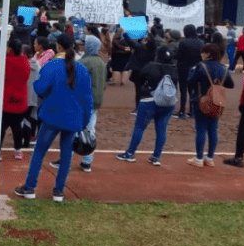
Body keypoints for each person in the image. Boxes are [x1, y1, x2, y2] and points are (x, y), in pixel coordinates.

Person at [15, 33, 93, 203]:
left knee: (40, 152)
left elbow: (40, 89)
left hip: (52, 115)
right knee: (66, 156)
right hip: (73, 119)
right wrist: (84, 122)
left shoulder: (53, 66)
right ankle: (58, 192)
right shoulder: (82, 70)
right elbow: (88, 100)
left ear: (58, 47)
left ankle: (29, 187)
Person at [115, 45, 179, 165]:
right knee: (161, 129)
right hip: (168, 104)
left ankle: (130, 153)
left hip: (149, 101)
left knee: (139, 127)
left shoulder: (151, 66)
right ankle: (156, 156)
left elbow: (138, 77)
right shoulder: (174, 68)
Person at [58, 35, 106, 173]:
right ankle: (86, 162)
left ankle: (66, 159)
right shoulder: (101, 62)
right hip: (96, 101)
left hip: (83, 101)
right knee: (89, 130)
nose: (82, 46)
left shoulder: (85, 62)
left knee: (73, 130)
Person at [186, 43, 235, 167]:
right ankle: (210, 158)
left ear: (208, 53)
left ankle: (198, 159)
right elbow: (230, 84)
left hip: (201, 100)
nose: (201, 54)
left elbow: (190, 82)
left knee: (201, 129)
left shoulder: (201, 66)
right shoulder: (223, 68)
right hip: (217, 101)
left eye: (203, 52)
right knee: (213, 128)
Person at [0, 38, 31, 160]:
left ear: (9, 49)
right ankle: (18, 151)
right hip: (19, 100)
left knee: (0, 128)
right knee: (17, 128)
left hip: (4, 100)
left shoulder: (4, 61)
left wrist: (4, 54)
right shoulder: (25, 62)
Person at [176, 24, 204, 119]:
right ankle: (192, 111)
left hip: (183, 69)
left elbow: (179, 56)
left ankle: (182, 111)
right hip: (196, 69)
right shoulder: (201, 42)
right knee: (193, 91)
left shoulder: (183, 43)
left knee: (183, 90)